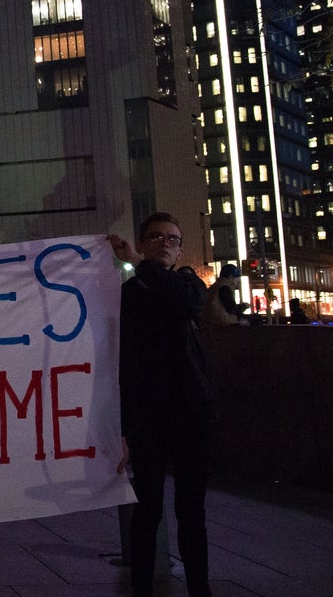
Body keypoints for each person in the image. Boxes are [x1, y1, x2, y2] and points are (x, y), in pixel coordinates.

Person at [109, 213, 215, 597]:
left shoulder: (188, 284)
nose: (165, 243)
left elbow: (183, 300)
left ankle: (199, 589)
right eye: (155, 237)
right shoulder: (127, 295)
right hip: (149, 416)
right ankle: (141, 588)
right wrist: (120, 428)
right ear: (142, 241)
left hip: (191, 414)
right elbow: (121, 364)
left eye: (172, 238)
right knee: (147, 509)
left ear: (181, 249)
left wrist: (140, 263)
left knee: (192, 511)